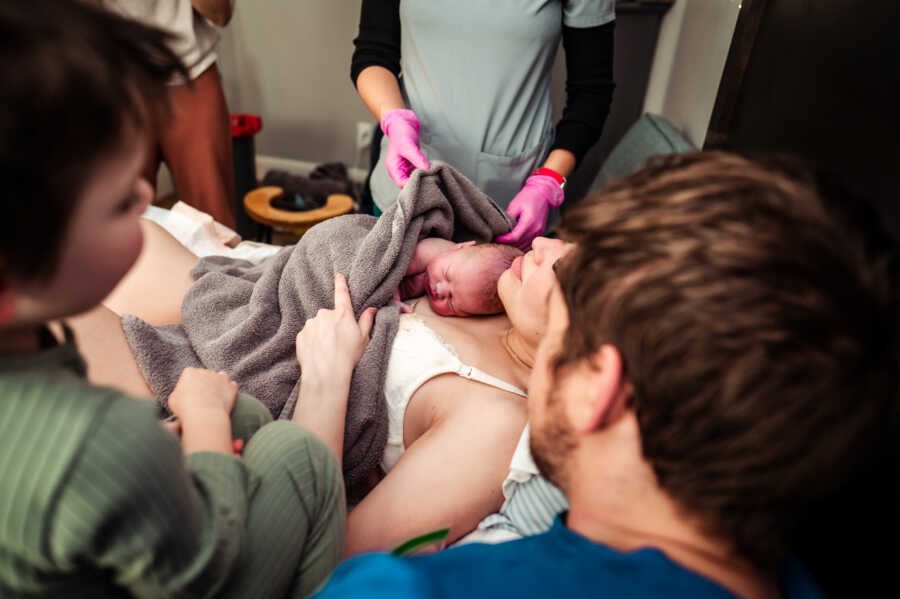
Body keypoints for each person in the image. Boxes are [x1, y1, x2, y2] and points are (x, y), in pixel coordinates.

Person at [312, 151, 899, 598]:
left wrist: (319, 388)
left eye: (559, 339)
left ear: (599, 388)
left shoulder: (404, 588)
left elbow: (303, 565)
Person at [0, 2, 344, 596]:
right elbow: (204, 561)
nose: (146, 197)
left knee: (246, 414)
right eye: (120, 205)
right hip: (190, 569)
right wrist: (203, 419)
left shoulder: (31, 348)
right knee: (297, 453)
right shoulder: (99, 437)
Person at [351, 0, 616, 250]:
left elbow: (591, 93)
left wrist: (549, 182)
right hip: (408, 192)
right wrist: (395, 119)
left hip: (512, 206)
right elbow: (373, 54)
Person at [97, 0, 238, 228]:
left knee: (216, 229)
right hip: (112, 82)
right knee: (119, 223)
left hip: (191, 71)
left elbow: (221, 14)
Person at [396, 238, 523, 316]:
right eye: (447, 275)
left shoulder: (448, 264)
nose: (440, 290)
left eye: (451, 301)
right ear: (460, 247)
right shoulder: (435, 250)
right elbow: (392, 264)